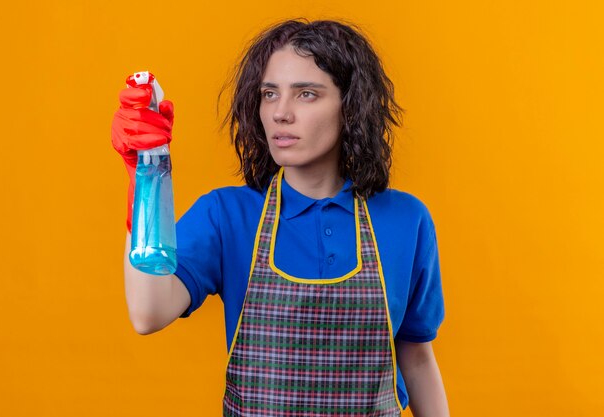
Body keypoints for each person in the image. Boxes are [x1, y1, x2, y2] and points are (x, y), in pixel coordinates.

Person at [112, 18, 449, 417]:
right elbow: (147, 313)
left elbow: (416, 357)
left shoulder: (406, 220)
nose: (280, 113)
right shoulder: (227, 215)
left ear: (351, 106)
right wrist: (145, 180)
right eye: (269, 94)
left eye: (306, 94)